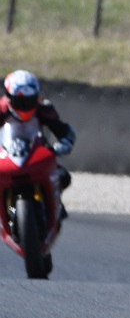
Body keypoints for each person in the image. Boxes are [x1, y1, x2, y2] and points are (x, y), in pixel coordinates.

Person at [0, 70, 77, 213]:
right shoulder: (1, 109)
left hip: (36, 156)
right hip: (6, 156)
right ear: (9, 97)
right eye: (20, 101)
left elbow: (63, 130)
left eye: (30, 100)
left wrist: (63, 145)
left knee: (63, 176)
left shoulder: (43, 108)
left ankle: (55, 205)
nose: (25, 106)